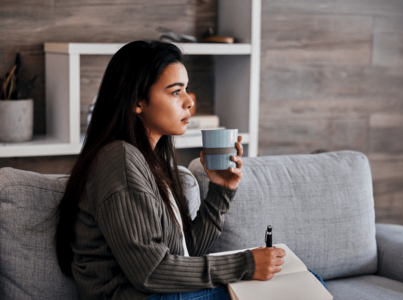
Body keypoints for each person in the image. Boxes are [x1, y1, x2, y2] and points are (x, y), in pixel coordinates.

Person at [53, 40, 292, 300]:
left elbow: (183, 254)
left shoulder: (150, 163)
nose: (190, 102)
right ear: (137, 101)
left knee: (301, 283)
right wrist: (245, 264)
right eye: (176, 91)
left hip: (161, 294)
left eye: (186, 89)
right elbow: (151, 272)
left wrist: (220, 191)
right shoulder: (119, 160)